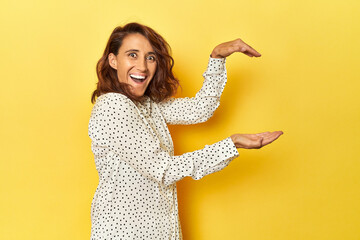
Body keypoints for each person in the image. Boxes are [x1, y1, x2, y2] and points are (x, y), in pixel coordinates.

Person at [88, 22, 283, 240]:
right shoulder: (113, 106)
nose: (142, 66)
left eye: (150, 57)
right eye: (132, 55)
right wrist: (231, 145)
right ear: (113, 60)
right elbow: (163, 169)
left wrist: (217, 58)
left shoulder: (147, 106)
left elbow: (200, 109)